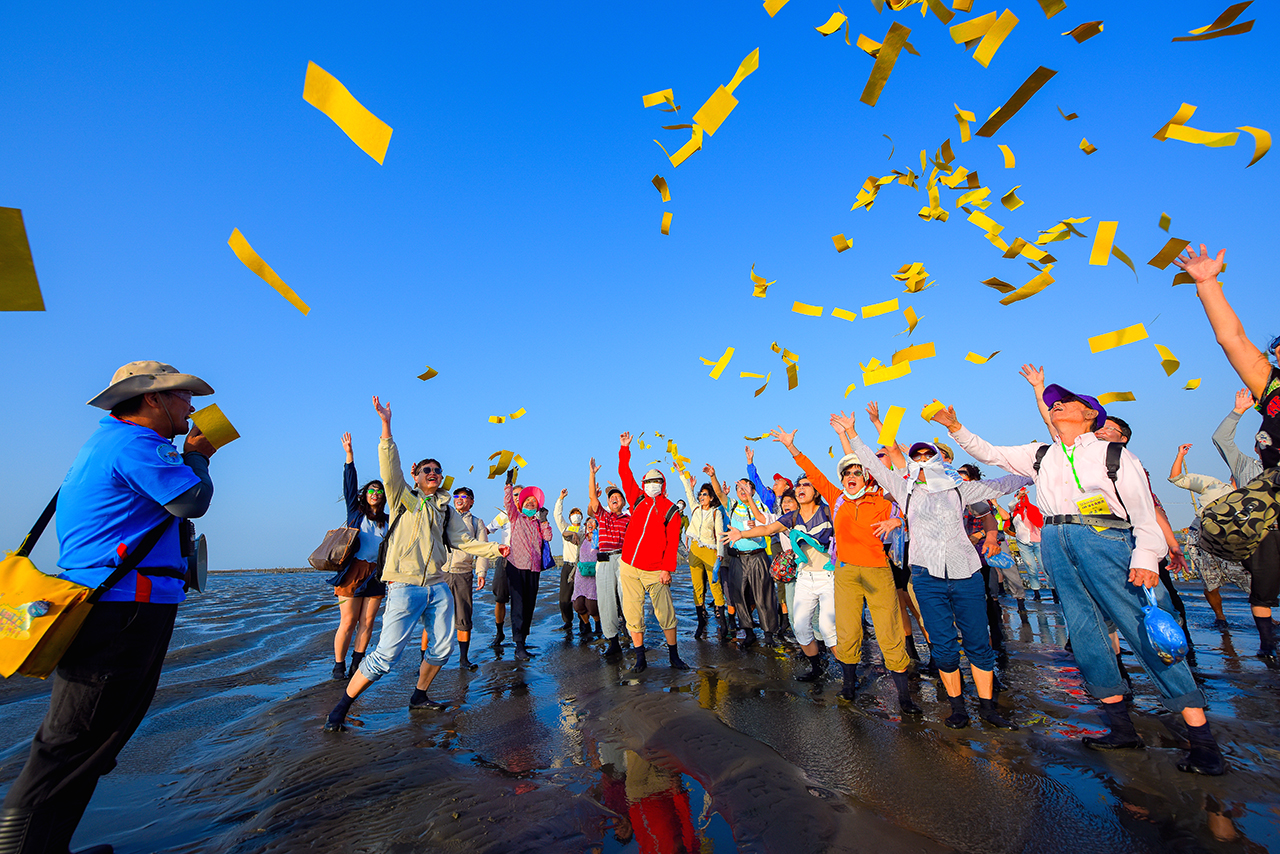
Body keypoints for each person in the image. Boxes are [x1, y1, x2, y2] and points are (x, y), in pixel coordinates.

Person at [935, 387, 1226, 774]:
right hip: (1057, 541)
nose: (1056, 403)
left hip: (1106, 540)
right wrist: (956, 428)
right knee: (1086, 634)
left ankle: (1202, 740)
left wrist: (1144, 557)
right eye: (1053, 401)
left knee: (1141, 629)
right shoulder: (1041, 454)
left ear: (1091, 414)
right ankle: (1120, 728)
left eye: (1066, 401)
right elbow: (992, 453)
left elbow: (1142, 514)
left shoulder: (1114, 455)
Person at [1, 360, 219, 854]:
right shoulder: (135, 444)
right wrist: (199, 457)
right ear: (152, 400)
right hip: (122, 609)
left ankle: (50, 845)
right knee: (68, 745)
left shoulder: (112, 442)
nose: (193, 405)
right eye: (183, 395)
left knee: (94, 742)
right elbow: (191, 502)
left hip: (122, 606)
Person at [325, 397, 507, 731]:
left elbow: (464, 542)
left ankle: (419, 695)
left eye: (438, 471)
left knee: (442, 649)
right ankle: (340, 707)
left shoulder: (445, 509)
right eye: (428, 471)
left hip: (438, 586)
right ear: (417, 476)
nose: (434, 474)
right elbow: (389, 467)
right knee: (385, 658)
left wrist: (497, 549)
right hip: (404, 587)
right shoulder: (401, 498)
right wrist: (386, 426)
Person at [837, 410, 1026, 730]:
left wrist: (1041, 466)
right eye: (917, 455)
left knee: (979, 643)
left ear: (939, 459)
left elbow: (1003, 484)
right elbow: (873, 461)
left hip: (965, 573)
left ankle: (988, 707)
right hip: (927, 576)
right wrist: (852, 433)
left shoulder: (960, 489)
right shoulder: (903, 488)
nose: (923, 459)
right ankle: (957, 707)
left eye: (928, 454)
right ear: (912, 463)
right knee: (943, 644)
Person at [778, 425, 920, 713]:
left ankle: (905, 697)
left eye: (856, 472)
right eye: (846, 473)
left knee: (888, 631)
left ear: (866, 476)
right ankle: (848, 685)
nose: (850, 477)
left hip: (877, 571)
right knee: (847, 630)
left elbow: (915, 506)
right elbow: (814, 473)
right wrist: (791, 447)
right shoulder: (837, 498)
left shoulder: (881, 501)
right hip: (845, 573)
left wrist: (898, 521)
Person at [726, 468, 839, 685]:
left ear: (816, 491)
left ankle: (848, 676)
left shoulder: (828, 512)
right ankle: (817, 668)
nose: (801, 489)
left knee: (827, 627)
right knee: (800, 626)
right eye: (799, 486)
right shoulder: (791, 517)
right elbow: (767, 528)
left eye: (807, 485)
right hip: (804, 574)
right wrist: (741, 533)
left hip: (828, 576)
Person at [1208, 386, 1278, 658]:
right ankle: (1267, 644)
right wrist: (1238, 411)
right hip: (1262, 535)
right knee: (1263, 589)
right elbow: (1221, 439)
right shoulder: (1245, 466)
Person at [616, 432, 689, 673]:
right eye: (647, 482)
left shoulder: (671, 510)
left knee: (665, 613)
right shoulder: (637, 500)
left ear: (663, 484)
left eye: (656, 481)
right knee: (632, 613)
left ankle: (674, 655)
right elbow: (624, 474)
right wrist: (625, 449)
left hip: (656, 570)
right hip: (629, 566)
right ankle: (640, 658)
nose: (651, 485)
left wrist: (668, 569)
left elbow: (672, 543)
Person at [1169, 443, 1251, 631]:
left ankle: (1265, 617)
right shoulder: (1214, 485)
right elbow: (1176, 478)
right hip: (1202, 538)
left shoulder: (1253, 497)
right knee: (1210, 582)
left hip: (1232, 541)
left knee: (1253, 580)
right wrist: (1180, 455)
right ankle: (1220, 617)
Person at [331, 432, 388, 680]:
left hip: (376, 575)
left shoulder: (388, 520)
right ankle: (339, 665)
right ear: (365, 495)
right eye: (372, 490)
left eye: (379, 491)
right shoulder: (355, 512)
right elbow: (349, 484)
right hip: (352, 572)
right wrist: (349, 456)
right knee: (348, 621)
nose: (375, 493)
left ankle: (357, 664)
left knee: (368, 622)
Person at [705, 464, 779, 647]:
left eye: (746, 487)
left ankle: (769, 634)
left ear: (752, 490)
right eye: (739, 488)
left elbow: (768, 528)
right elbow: (719, 494)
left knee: (763, 595)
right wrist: (713, 476)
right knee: (738, 596)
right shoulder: (733, 505)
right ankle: (748, 632)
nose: (742, 490)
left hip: (758, 556)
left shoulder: (761, 507)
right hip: (738, 558)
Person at [502, 470, 553, 661]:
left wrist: (544, 520)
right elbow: (508, 503)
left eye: (533, 502)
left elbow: (548, 537)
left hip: (534, 568)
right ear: (521, 505)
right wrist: (508, 484)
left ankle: (523, 640)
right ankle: (519, 645)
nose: (530, 504)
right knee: (518, 605)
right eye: (527, 502)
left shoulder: (538, 523)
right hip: (516, 566)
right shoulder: (516, 518)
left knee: (530, 605)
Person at [439, 486, 489, 670]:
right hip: (440, 571)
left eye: (464, 496)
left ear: (471, 501)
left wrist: (481, 572)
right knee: (433, 614)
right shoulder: (444, 515)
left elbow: (482, 549)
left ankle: (463, 659)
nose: (459, 499)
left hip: (463, 572)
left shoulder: (476, 522)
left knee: (463, 616)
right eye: (457, 496)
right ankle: (424, 659)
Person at [588, 458, 631, 658]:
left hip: (623, 560)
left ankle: (632, 635)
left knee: (627, 597)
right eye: (611, 497)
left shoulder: (629, 518)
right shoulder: (603, 516)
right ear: (607, 502)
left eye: (617, 496)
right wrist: (592, 474)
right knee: (606, 601)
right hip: (604, 561)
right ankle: (613, 641)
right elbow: (592, 499)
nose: (614, 498)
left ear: (622, 501)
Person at [681, 470, 728, 641]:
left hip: (710, 551)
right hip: (694, 550)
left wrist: (720, 556)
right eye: (700, 494)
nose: (701, 497)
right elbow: (688, 492)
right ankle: (701, 622)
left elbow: (721, 535)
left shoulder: (716, 513)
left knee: (715, 586)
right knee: (697, 587)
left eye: (705, 494)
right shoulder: (695, 509)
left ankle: (723, 621)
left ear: (711, 497)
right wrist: (683, 477)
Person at [1009, 486, 1054, 602]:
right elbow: (1010, 505)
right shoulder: (1015, 512)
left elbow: (1040, 522)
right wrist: (1018, 497)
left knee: (1045, 567)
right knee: (1031, 568)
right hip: (1023, 542)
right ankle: (1036, 593)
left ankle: (1054, 592)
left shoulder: (1033, 509)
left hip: (1038, 541)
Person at [554, 489, 584, 633]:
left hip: (581, 567)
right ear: (570, 517)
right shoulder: (566, 528)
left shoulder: (585, 530)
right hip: (567, 566)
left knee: (582, 596)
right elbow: (557, 516)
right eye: (573, 513)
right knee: (564, 597)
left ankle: (584, 622)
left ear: (582, 516)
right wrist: (561, 499)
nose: (575, 515)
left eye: (578, 513)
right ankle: (567, 621)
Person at [486, 509, 512, 647]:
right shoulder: (504, 514)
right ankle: (499, 632)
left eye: (520, 495)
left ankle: (520, 637)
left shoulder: (530, 514)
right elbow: (487, 530)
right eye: (514, 495)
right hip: (505, 559)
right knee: (500, 598)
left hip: (524, 561)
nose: (517, 498)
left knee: (521, 601)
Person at [573, 516, 602, 634]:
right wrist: (573, 533)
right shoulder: (581, 537)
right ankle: (586, 624)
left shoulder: (601, 537)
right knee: (578, 604)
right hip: (581, 575)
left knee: (592, 606)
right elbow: (565, 534)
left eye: (593, 522)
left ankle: (598, 624)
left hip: (594, 574)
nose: (590, 524)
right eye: (588, 522)